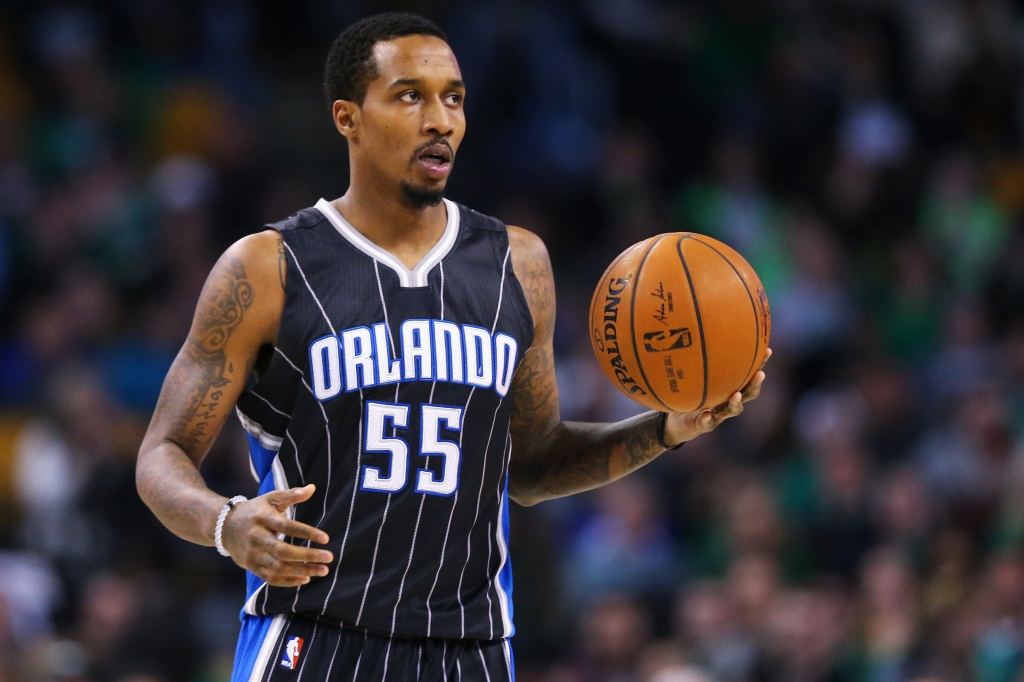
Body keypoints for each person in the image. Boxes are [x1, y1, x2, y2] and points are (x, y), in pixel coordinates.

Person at [135, 12, 769, 682]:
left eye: (454, 98)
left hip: (469, 651)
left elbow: (532, 467)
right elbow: (161, 454)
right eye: (410, 95)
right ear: (348, 118)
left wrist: (666, 430)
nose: (441, 119)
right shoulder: (267, 268)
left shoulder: (518, 264)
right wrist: (225, 522)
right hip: (314, 639)